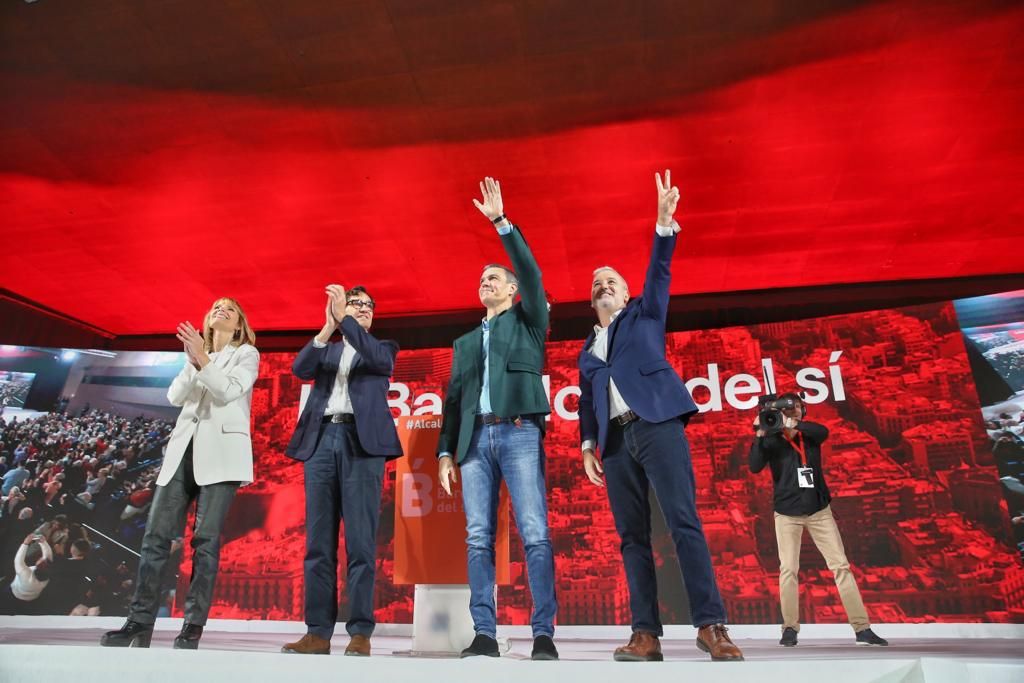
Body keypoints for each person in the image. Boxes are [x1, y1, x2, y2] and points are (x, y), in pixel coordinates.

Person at [578, 170, 743, 662]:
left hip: (656, 426)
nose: (603, 285)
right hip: (615, 445)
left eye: (611, 281)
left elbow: (660, 273)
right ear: (592, 300)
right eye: (596, 283)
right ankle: (645, 635)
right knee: (632, 538)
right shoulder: (587, 350)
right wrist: (588, 445)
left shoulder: (645, 314)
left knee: (683, 522)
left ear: (626, 294)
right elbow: (588, 402)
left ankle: (711, 626)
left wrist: (663, 226)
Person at [437, 177, 558, 660]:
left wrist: (501, 223)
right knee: (477, 538)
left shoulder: (530, 320)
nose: (485, 283)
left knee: (535, 532)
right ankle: (484, 632)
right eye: (482, 279)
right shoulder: (464, 343)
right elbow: (451, 403)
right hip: (472, 445)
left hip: (518, 433)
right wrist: (446, 450)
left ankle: (543, 632)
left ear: (511, 290)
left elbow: (530, 272)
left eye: (494, 278)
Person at [100, 298, 259, 650]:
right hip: (181, 454)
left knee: (205, 542)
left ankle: (192, 626)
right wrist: (194, 361)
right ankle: (139, 622)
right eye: (216, 306)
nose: (220, 309)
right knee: (155, 537)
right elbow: (174, 396)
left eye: (229, 309)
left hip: (221, 457)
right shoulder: (196, 354)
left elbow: (228, 390)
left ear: (238, 326)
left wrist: (203, 359)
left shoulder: (247, 354)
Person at [281, 284, 403, 657]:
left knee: (361, 544)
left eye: (368, 306)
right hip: (320, 442)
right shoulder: (329, 349)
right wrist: (326, 327)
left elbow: (379, 361)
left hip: (361, 444)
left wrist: (345, 320)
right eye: (356, 304)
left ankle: (360, 632)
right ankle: (317, 632)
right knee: (318, 545)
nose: (363, 309)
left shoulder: (382, 348)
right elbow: (300, 368)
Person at [749, 393, 888, 647]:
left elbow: (822, 431)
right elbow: (754, 466)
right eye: (788, 411)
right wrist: (759, 435)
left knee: (841, 567)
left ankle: (862, 628)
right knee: (788, 570)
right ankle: (789, 628)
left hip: (818, 511)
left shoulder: (809, 436)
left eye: (798, 409)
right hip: (786, 514)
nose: (793, 413)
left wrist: (794, 424)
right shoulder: (772, 440)